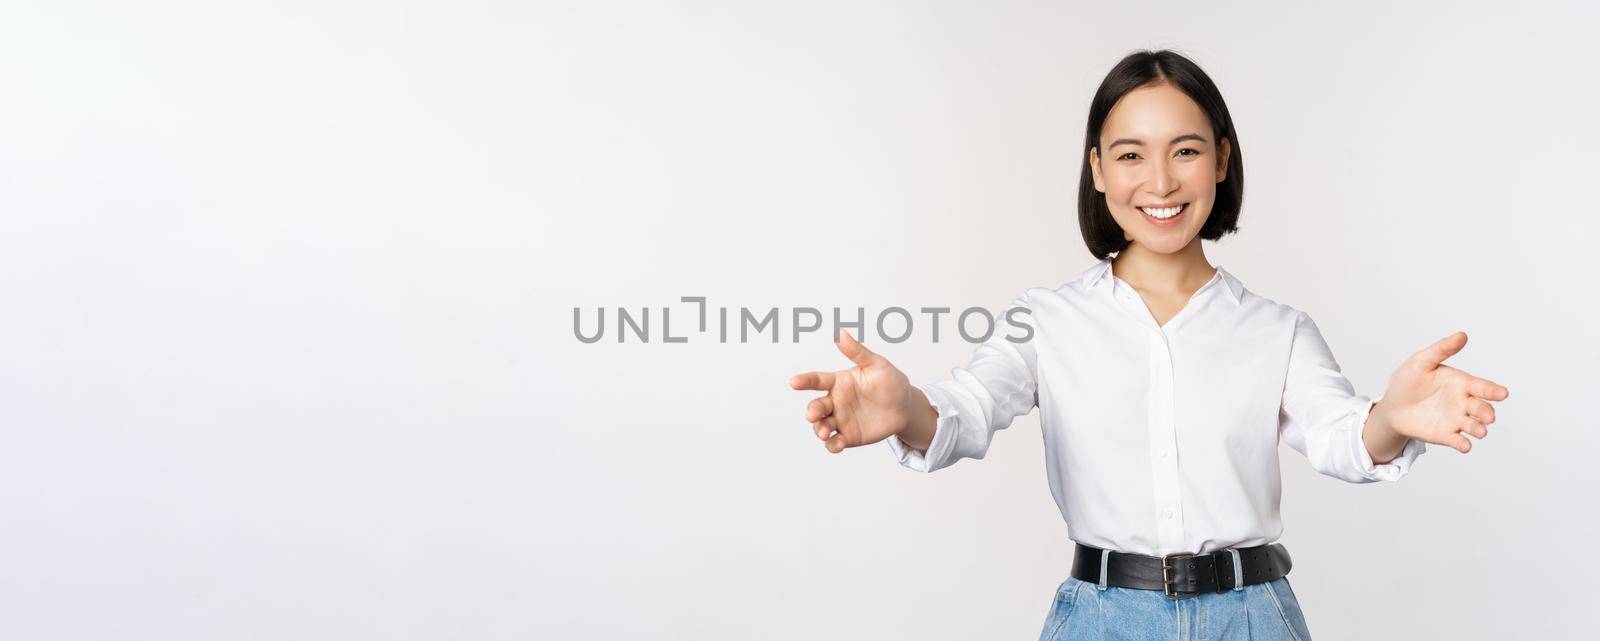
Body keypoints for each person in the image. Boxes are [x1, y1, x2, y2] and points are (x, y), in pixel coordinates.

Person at [786, 49, 1510, 641]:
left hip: (1252, 617)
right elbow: (964, 411)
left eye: (1185, 151)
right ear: (1098, 169)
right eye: (1130, 154)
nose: (1160, 181)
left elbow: (1345, 436)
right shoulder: (1045, 320)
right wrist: (903, 406)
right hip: (1103, 618)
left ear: (1221, 161)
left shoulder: (1277, 331)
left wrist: (1393, 415)